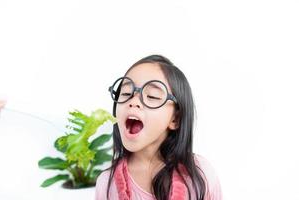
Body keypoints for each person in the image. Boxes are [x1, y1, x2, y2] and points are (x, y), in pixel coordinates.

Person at [95, 55, 222, 200]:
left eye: (153, 96)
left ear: (175, 119)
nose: (134, 101)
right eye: (125, 93)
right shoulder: (106, 185)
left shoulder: (199, 175)